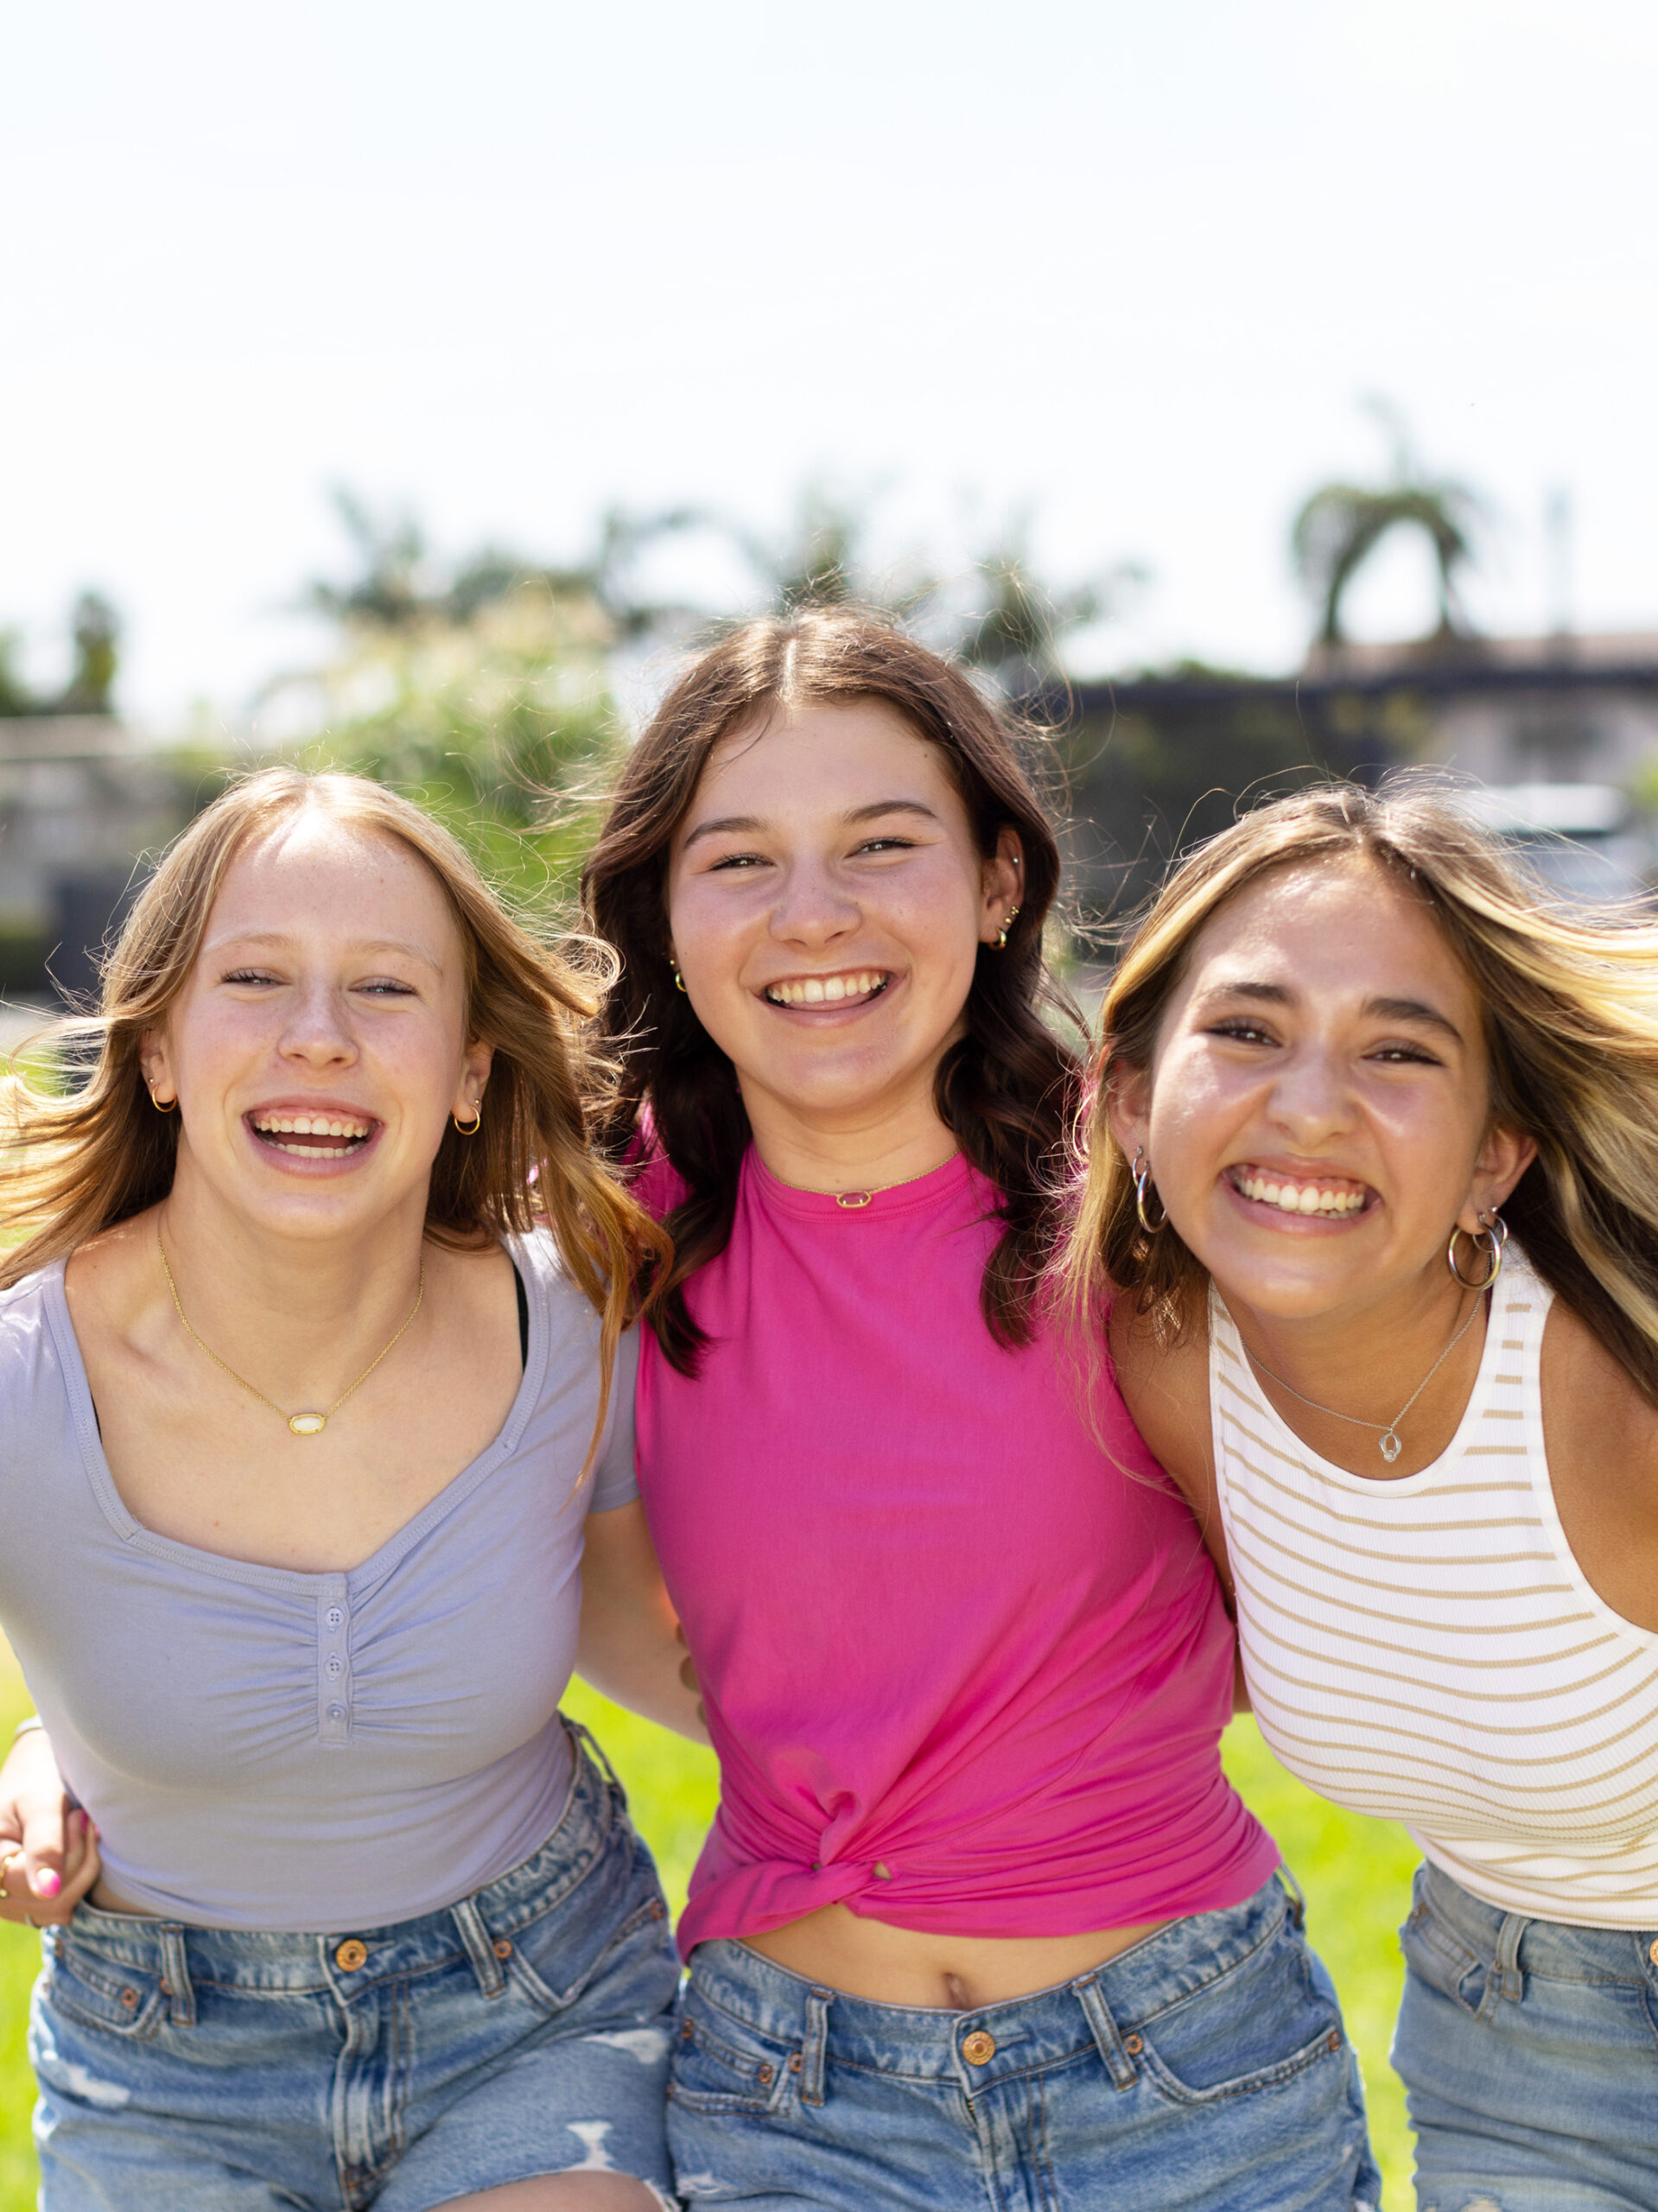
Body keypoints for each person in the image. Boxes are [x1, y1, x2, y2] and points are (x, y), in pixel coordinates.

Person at [581, 608, 1381, 2210]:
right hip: (795, 2098)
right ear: (663, 914)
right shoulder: (609, 1244)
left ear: (1000, 879)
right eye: (738, 861)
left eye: (884, 843)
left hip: (1191, 2075)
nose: (815, 916)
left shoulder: (1148, 1200)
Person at [0, 768, 701, 2211]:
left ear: (466, 1074)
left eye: (385, 990)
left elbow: (671, 1642)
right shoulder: (23, 1373)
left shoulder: (573, 1322)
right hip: (169, 2062)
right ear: (160, 1053)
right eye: (253, 978)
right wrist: (48, 1748)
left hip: (541, 2003)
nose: (317, 1039)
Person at [1068, 779, 1658, 2211]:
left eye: (1399, 1051)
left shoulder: (1608, 1394)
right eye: (1249, 1031)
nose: (1311, 1109)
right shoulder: (1160, 1366)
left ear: (1491, 1161)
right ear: (1136, 1106)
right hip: (1518, 2022)